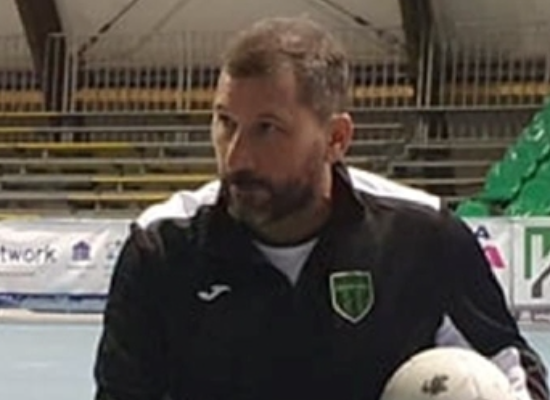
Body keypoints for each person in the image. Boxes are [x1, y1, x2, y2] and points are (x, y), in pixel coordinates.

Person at [93, 17, 548, 400]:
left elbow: (510, 371)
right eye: (225, 123)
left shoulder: (422, 238)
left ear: (336, 139)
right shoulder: (163, 250)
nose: (236, 157)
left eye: (267, 129)